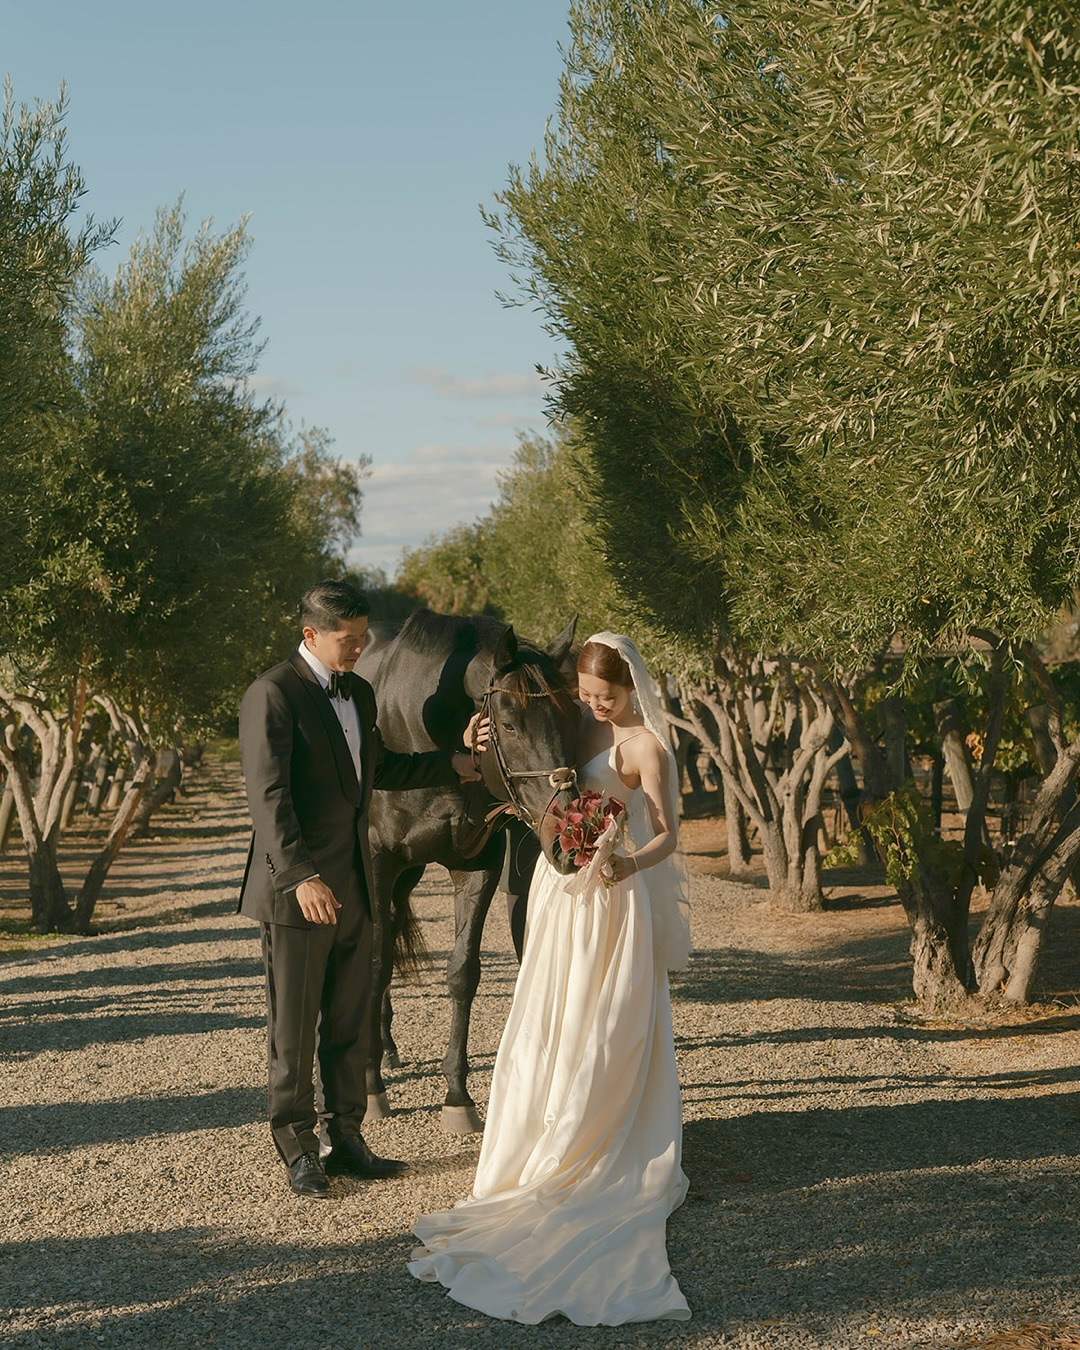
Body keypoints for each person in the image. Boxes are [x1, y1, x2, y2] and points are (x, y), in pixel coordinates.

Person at [408, 631, 692, 1324]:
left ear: (633, 689)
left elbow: (668, 834)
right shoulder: (575, 722)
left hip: (612, 894)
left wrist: (626, 862)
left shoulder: (646, 747)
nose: (596, 707)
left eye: (608, 697)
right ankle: (536, 1129)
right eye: (589, 696)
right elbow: (520, 741)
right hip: (559, 887)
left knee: (603, 1019)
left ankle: (594, 1134)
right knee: (549, 1014)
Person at [238, 579, 484, 1199]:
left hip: (355, 883)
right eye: (347, 641)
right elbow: (269, 801)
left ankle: (346, 1138)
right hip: (296, 889)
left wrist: (453, 760)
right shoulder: (271, 694)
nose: (358, 648)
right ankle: (298, 1150)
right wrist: (300, 876)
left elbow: (382, 769)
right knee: (293, 1028)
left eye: (362, 638)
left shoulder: (361, 692)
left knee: (350, 1020)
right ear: (310, 635)